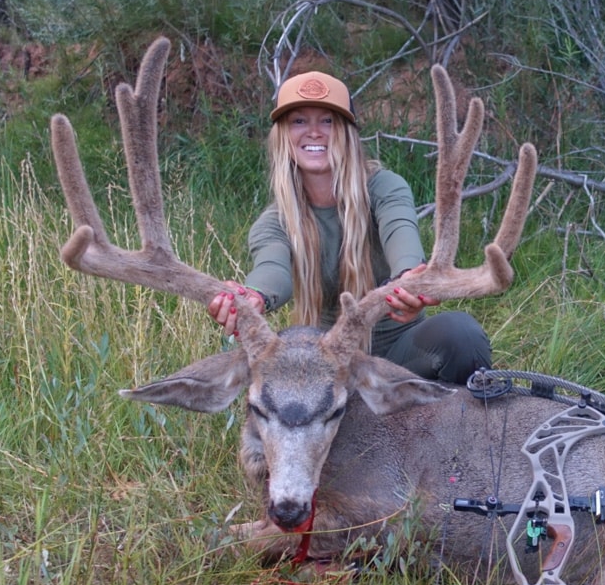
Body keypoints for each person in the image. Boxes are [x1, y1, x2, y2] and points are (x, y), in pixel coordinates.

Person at [206, 69, 492, 385]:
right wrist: (253, 296)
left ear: (347, 132)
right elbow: (272, 268)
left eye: (327, 121)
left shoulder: (384, 187)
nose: (314, 132)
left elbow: (401, 230)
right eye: (299, 121)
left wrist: (409, 279)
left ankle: (461, 425)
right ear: (283, 137)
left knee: (461, 335)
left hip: (403, 350)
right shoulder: (274, 223)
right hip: (330, 363)